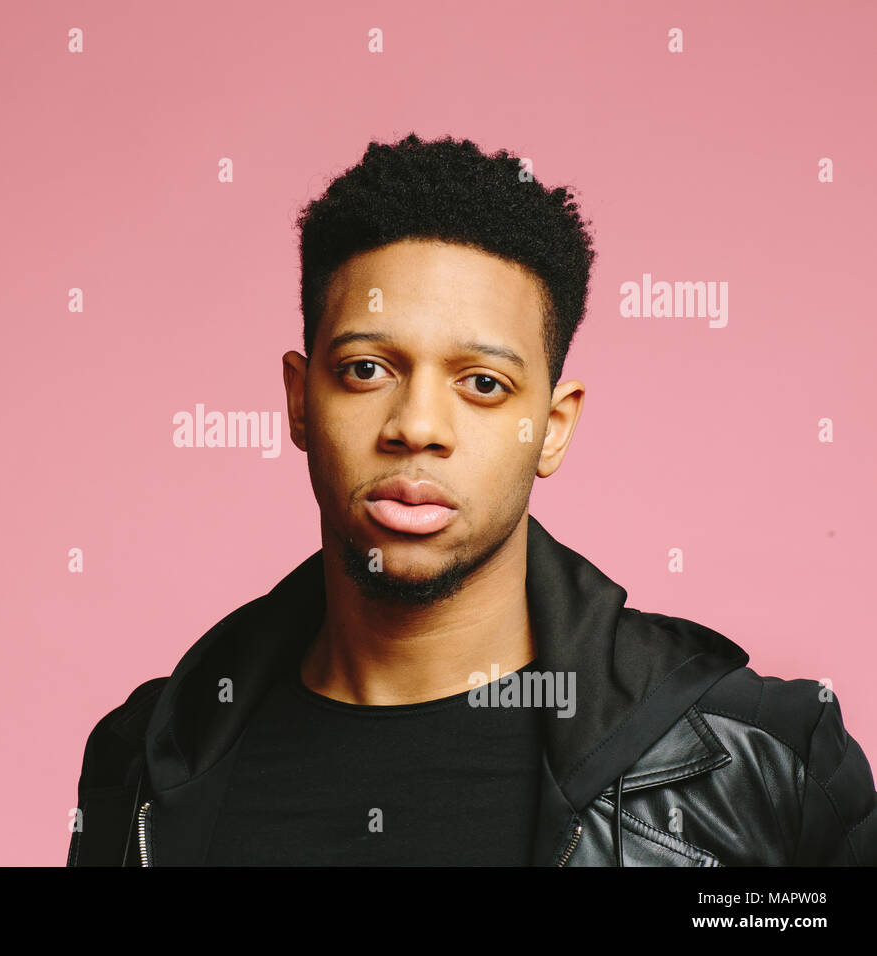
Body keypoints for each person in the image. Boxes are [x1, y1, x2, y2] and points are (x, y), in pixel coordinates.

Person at [67, 133, 877, 866]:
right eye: (365, 370)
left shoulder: (770, 760)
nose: (417, 426)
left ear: (552, 429)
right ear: (300, 400)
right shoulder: (148, 757)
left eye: (482, 384)